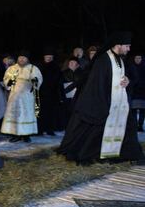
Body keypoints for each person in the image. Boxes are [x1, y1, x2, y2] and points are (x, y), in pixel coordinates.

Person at [57, 31, 145, 165]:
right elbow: (96, 84)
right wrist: (104, 103)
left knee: (128, 127)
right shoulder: (103, 60)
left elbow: (126, 78)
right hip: (104, 102)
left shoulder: (121, 60)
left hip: (120, 104)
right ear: (118, 45)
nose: (129, 49)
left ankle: (122, 153)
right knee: (95, 131)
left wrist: (128, 81)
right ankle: (98, 153)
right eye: (127, 46)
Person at [0, 50, 43, 142]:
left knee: (26, 115)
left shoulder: (33, 68)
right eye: (20, 57)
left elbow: (38, 78)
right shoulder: (12, 68)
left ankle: (26, 135)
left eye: (24, 58)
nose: (22, 59)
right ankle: (15, 134)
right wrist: (9, 81)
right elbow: (6, 79)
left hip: (27, 96)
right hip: (14, 96)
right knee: (15, 115)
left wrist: (35, 81)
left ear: (27, 59)